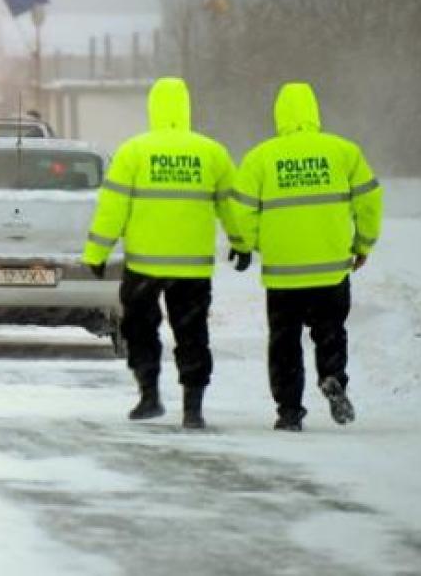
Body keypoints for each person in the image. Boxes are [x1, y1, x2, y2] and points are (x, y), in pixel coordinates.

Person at [82, 77, 249, 429]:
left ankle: (149, 395)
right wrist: (241, 242)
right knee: (192, 335)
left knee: (141, 331)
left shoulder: (134, 151)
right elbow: (231, 205)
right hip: (192, 268)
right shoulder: (211, 152)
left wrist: (97, 252)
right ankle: (193, 407)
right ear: (187, 107)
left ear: (152, 108)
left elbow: (112, 208)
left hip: (145, 264)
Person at [231, 82, 383, 432]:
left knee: (284, 343)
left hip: (283, 273)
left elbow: (241, 212)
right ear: (315, 112)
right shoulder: (344, 152)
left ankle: (289, 411)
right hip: (330, 270)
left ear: (279, 115)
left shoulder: (261, 157)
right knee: (330, 331)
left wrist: (249, 245)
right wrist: (362, 245)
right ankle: (332, 378)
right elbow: (369, 201)